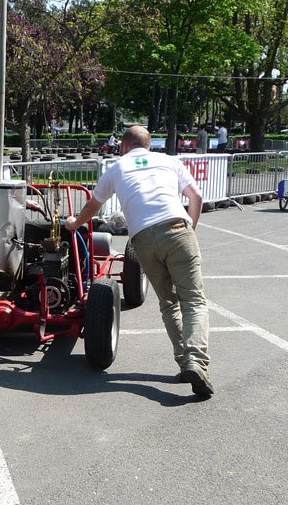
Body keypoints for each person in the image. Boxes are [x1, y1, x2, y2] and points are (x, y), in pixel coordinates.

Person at [64, 126, 213, 397]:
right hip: (177, 228)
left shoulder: (116, 168)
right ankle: (196, 362)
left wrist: (75, 224)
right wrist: (191, 228)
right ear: (149, 145)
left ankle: (184, 361)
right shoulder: (169, 161)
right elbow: (196, 197)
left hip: (141, 238)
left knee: (169, 303)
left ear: (123, 146)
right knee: (193, 300)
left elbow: (93, 206)